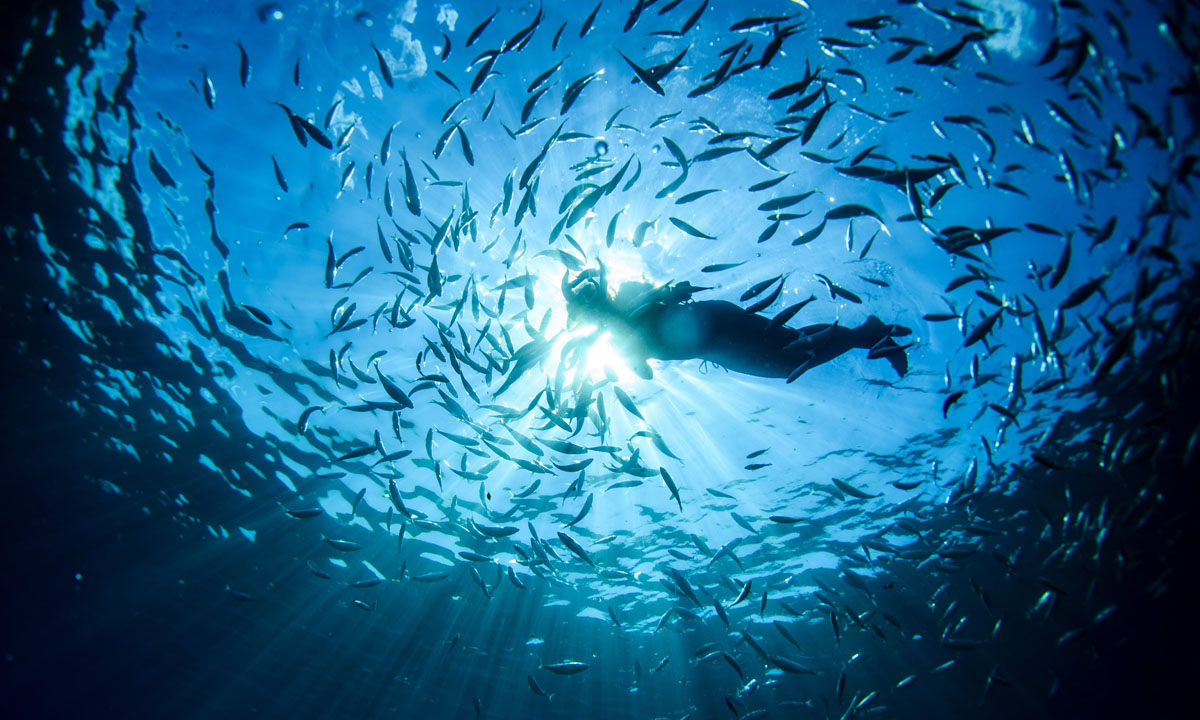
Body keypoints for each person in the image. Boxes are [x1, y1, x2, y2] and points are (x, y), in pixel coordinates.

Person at [561, 268, 911, 381]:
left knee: (789, 352)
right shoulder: (615, 337)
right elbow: (645, 370)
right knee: (787, 361)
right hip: (716, 343)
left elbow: (669, 291)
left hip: (717, 325)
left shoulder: (627, 298)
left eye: (589, 298)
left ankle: (869, 334)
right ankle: (868, 333)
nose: (591, 308)